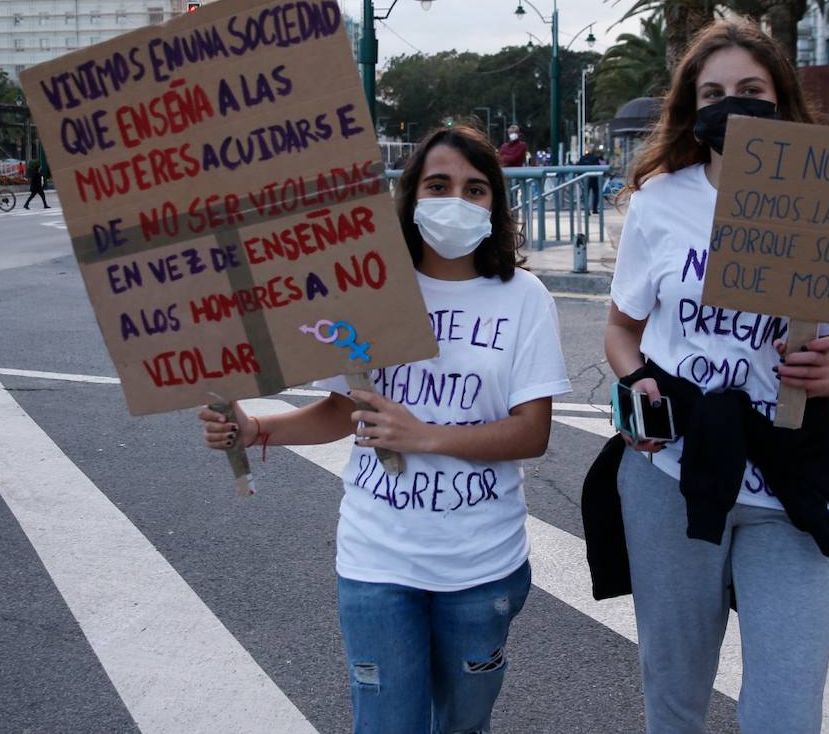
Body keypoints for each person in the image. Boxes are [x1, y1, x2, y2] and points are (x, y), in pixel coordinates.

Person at [198, 126, 570, 732]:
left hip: (481, 564)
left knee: (463, 724)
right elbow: (344, 412)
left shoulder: (523, 297)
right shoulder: (372, 292)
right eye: (439, 185)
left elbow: (532, 434)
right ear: (411, 196)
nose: (457, 200)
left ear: (496, 204)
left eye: (475, 189)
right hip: (379, 561)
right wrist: (253, 429)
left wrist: (424, 435)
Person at [587, 18, 829, 733]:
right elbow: (621, 331)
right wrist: (637, 382)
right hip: (675, 472)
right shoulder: (657, 204)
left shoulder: (828, 202)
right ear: (691, 107)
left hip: (788, 472)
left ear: (782, 99)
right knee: (674, 698)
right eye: (713, 92)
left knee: (788, 710)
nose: (730, 103)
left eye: (750, 89)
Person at [577, 144, 607, 213]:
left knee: (585, 194)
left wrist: (579, 176)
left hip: (585, 178)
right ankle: (594, 209)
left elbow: (578, 167)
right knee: (596, 193)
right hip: (594, 178)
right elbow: (600, 165)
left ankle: (587, 210)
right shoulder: (595, 158)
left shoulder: (582, 158)